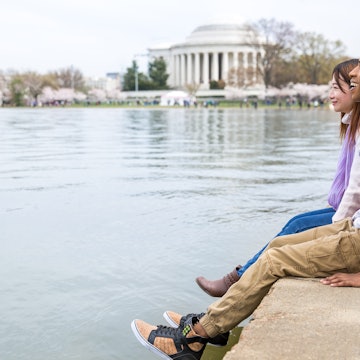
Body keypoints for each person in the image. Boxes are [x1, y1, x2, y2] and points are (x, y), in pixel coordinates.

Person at [130, 59, 360, 359]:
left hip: (353, 236)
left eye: (350, 84)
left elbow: (353, 191)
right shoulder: (352, 124)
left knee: (274, 260)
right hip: (352, 226)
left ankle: (195, 336)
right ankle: (215, 319)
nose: (344, 89)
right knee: (279, 243)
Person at [196, 58, 360, 297]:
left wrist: (336, 227)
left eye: (338, 87)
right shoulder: (349, 124)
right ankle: (237, 279)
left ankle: (237, 280)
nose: (330, 94)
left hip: (351, 218)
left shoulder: (356, 126)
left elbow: (355, 188)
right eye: (330, 87)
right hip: (344, 211)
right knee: (297, 222)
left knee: (296, 226)